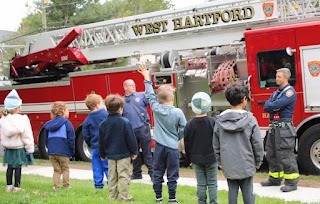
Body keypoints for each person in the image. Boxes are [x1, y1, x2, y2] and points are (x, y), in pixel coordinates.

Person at [138, 64, 187, 204]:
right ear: (172, 99)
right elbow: (183, 128)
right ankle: (172, 198)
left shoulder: (156, 108)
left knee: (157, 172)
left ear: (159, 99)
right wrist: (176, 137)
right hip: (172, 147)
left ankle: (158, 197)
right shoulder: (178, 112)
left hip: (159, 147)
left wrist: (146, 77)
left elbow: (149, 94)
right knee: (172, 173)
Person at [213, 83, 264, 204]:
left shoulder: (219, 120)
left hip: (228, 163)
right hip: (246, 162)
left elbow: (216, 144)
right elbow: (257, 143)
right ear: (244, 99)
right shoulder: (251, 119)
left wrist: (220, 161)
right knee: (248, 194)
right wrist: (258, 161)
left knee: (232, 192)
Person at [261, 68, 299, 192]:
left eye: (279, 77)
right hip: (274, 127)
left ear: (286, 78)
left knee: (285, 155)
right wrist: (273, 106)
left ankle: (291, 183)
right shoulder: (276, 93)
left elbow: (275, 105)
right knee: (271, 154)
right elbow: (267, 107)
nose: (276, 79)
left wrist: (274, 106)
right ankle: (274, 179)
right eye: (276, 76)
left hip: (284, 128)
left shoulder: (290, 92)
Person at [99, 94, 138, 202]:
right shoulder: (125, 122)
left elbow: (101, 141)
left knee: (112, 176)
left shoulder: (103, 124)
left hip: (110, 156)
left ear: (107, 109)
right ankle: (124, 196)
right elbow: (131, 138)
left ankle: (112, 196)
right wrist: (134, 151)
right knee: (124, 175)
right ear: (120, 108)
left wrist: (102, 154)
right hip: (124, 155)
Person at [184, 92, 218, 204]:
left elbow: (187, 143)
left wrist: (188, 159)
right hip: (211, 157)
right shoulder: (213, 122)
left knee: (201, 184)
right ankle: (213, 202)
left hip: (196, 159)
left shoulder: (189, 124)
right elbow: (218, 141)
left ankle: (201, 202)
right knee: (212, 183)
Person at [0, 89, 35, 192]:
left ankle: (8, 185)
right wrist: (30, 148)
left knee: (9, 167)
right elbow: (26, 135)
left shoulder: (3, 119)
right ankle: (17, 186)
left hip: (8, 149)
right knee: (18, 168)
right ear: (18, 107)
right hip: (18, 148)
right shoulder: (23, 119)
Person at [122, 79, 153, 180]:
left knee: (147, 153)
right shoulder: (121, 101)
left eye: (134, 84)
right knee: (134, 153)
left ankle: (153, 174)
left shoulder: (141, 95)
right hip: (130, 131)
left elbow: (151, 98)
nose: (133, 86)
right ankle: (137, 173)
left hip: (143, 128)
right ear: (125, 87)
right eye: (131, 85)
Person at [44, 101, 75, 191]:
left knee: (56, 170)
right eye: (67, 110)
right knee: (65, 169)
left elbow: (45, 140)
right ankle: (66, 186)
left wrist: (49, 148)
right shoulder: (67, 123)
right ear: (63, 111)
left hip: (52, 152)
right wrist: (71, 151)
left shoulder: (48, 125)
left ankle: (56, 186)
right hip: (64, 151)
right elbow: (71, 139)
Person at [82, 93, 109, 189]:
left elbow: (86, 134)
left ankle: (98, 185)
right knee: (107, 166)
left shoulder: (87, 119)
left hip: (95, 147)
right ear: (98, 105)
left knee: (96, 166)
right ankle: (111, 183)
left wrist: (91, 144)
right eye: (101, 103)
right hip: (106, 146)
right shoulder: (106, 115)